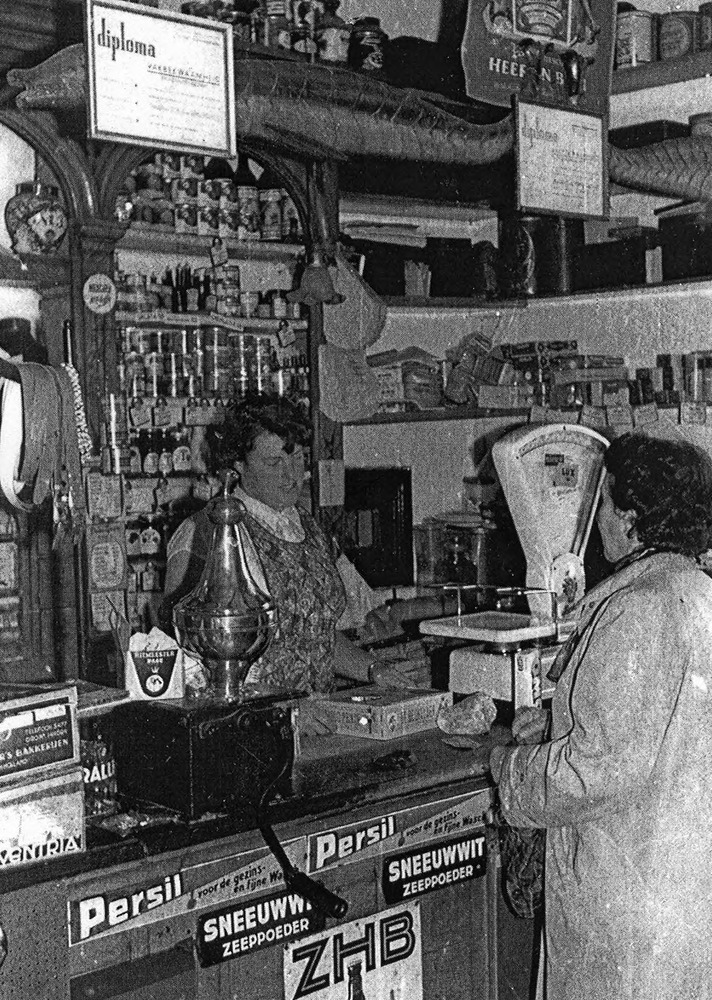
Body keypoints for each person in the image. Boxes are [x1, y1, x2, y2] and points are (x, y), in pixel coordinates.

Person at [489, 431, 712, 1000]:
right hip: (682, 886)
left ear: (633, 519)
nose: (600, 518)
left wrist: (507, 766)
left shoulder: (639, 610)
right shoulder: (698, 594)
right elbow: (666, 729)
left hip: (628, 896)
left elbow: (593, 774)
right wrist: (557, 727)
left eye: (607, 501)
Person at [161, 394, 438, 695]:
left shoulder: (307, 526)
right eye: (273, 462)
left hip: (317, 708)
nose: (291, 475)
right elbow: (189, 658)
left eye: (297, 458)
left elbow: (317, 636)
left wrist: (373, 669)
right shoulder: (207, 532)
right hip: (256, 712)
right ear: (238, 464)